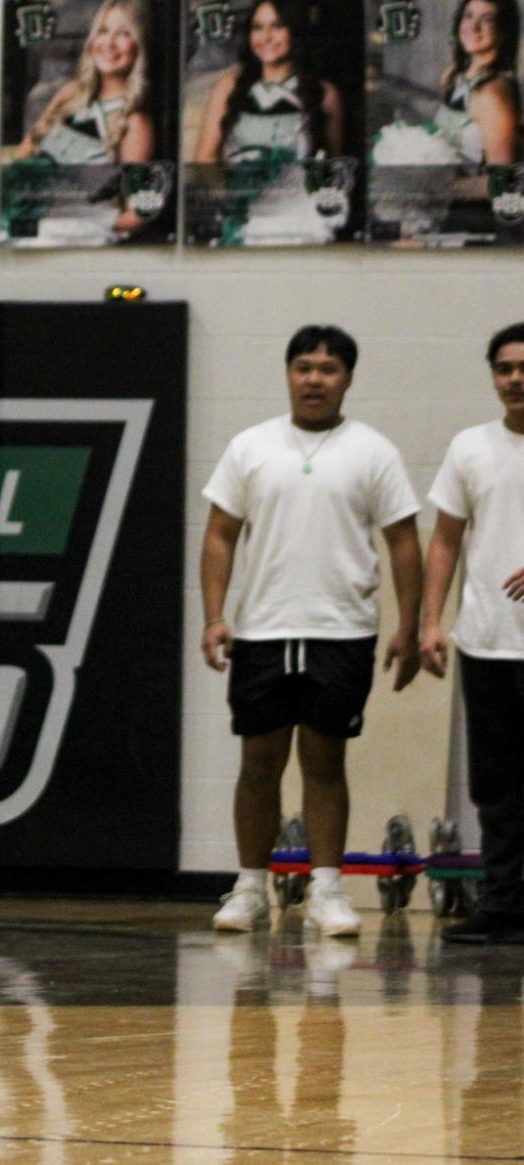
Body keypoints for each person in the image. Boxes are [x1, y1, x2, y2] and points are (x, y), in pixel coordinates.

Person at [203, 325, 422, 937]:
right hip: (264, 629)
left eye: (327, 369)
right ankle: (250, 886)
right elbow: (220, 533)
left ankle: (327, 888)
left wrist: (409, 625)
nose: (314, 379)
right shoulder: (251, 446)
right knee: (259, 758)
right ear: (288, 374)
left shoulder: (373, 451)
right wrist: (215, 615)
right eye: (303, 367)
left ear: (348, 378)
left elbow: (403, 541)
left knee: (325, 759)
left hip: (341, 629)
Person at [421, 323, 524, 943]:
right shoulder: (470, 447)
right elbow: (445, 540)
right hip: (487, 642)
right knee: (496, 784)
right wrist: (431, 621)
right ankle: (503, 903)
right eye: (505, 367)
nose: (517, 378)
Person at [191, 0, 344, 165]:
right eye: (258, 28)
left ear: (295, 29)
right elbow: (205, 158)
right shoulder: (229, 85)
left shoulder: (324, 93)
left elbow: (332, 168)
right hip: (239, 190)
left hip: (297, 190)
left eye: (277, 26)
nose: (266, 37)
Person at [17, 0, 155, 165]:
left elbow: (129, 190)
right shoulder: (69, 93)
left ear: (139, 45)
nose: (109, 43)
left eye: (124, 33)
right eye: (103, 31)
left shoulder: (136, 124)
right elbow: (23, 154)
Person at [433, 0, 520, 167]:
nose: (473, 26)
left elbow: (504, 182)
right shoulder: (452, 75)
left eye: (487, 19)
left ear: (503, 31)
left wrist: (448, 185)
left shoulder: (493, 94)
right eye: (468, 16)